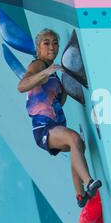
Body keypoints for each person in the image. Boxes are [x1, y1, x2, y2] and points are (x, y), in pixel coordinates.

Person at [17, 28, 101, 208]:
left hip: (54, 124)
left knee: (78, 145)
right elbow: (22, 86)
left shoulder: (52, 71)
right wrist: (43, 74)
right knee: (73, 139)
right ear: (38, 48)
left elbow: (57, 103)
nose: (52, 47)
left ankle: (80, 196)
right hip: (43, 128)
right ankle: (89, 182)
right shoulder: (38, 65)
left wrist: (67, 82)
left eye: (55, 43)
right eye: (46, 43)